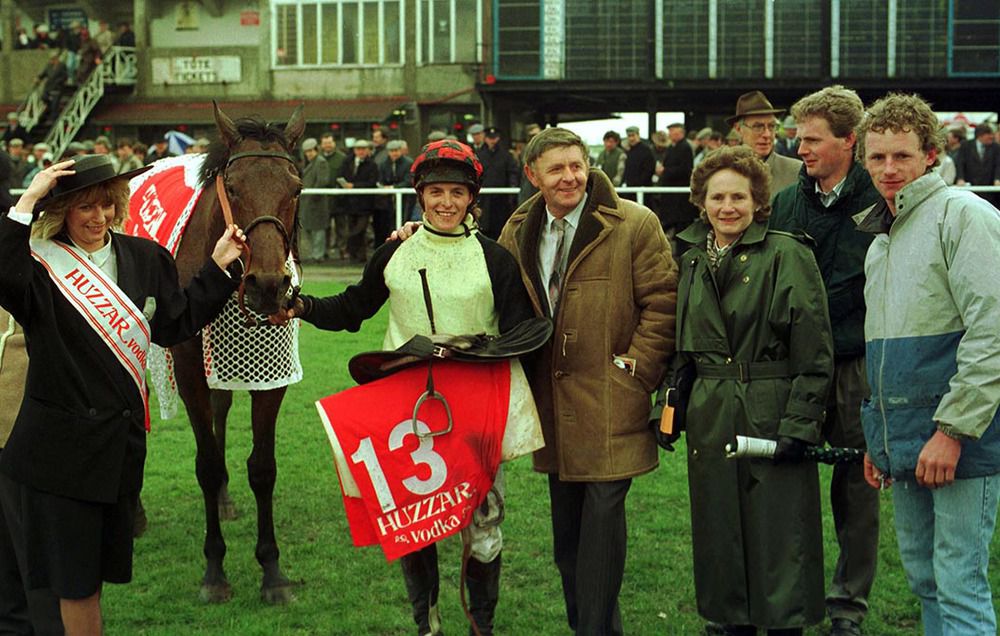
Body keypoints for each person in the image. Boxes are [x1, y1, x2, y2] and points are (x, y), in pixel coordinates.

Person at [275, 139, 540, 635]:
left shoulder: (495, 259)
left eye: (456, 193)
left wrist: (477, 351)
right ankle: (428, 625)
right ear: (419, 195)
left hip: (477, 407)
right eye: (435, 192)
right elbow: (354, 307)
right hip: (404, 410)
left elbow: (522, 329)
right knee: (415, 526)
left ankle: (481, 625)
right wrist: (302, 307)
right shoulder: (394, 252)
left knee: (483, 526)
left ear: (471, 198)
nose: (445, 202)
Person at [0, 154, 244, 634]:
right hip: (57, 450)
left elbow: (175, 322)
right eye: (84, 207)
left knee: (93, 574)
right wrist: (30, 197)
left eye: (105, 205)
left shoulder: (143, 257)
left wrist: (216, 268)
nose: (97, 217)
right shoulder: (38, 264)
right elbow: (4, 274)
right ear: (62, 212)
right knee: (76, 582)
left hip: (119, 448)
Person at [498, 127, 677, 635]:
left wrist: (634, 371)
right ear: (532, 176)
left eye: (577, 165)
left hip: (611, 401)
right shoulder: (518, 229)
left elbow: (663, 302)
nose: (570, 177)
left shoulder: (634, 223)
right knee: (568, 546)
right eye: (556, 169)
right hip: (554, 409)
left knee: (600, 535)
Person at [674, 145, 833, 636]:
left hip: (770, 405)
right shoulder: (693, 258)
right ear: (701, 202)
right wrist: (673, 404)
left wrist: (800, 425)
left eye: (738, 197)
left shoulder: (787, 253)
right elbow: (685, 346)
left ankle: (784, 626)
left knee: (779, 537)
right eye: (717, 197)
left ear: (758, 201)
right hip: (712, 411)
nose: (728, 207)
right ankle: (729, 622)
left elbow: (814, 352)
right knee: (720, 531)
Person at [856, 93, 1000, 636]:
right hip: (908, 438)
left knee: (959, 582)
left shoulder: (964, 215)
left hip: (960, 437)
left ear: (932, 155)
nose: (889, 170)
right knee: (924, 579)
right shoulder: (880, 239)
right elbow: (884, 348)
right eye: (877, 158)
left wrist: (954, 430)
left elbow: (993, 331)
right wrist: (881, 436)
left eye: (902, 156)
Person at [768, 85, 881, 636]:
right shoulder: (786, 202)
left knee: (857, 488)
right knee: (788, 482)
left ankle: (848, 608)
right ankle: (792, 597)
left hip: (857, 366)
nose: (800, 147)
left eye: (811, 139)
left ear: (848, 141)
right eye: (798, 136)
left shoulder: (881, 199)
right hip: (795, 367)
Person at [727, 91, 801, 196]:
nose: (767, 134)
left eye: (771, 126)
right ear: (738, 129)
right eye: (757, 127)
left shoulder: (795, 172)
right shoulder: (722, 169)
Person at [337, 138, 379, 262]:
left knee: (359, 230)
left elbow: (372, 182)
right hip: (349, 204)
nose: (360, 152)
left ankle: (352, 251)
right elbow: (341, 175)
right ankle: (357, 257)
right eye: (358, 149)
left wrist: (354, 186)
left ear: (367, 150)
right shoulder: (347, 162)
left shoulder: (372, 165)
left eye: (363, 149)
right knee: (354, 229)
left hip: (365, 204)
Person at [476, 127, 520, 239]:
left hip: (501, 199)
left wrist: (512, 193)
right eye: (490, 138)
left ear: (498, 138)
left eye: (494, 138)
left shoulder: (506, 155)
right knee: (483, 228)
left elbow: (513, 173)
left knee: (501, 228)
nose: (492, 141)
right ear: (485, 139)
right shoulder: (478, 155)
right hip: (483, 199)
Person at [299, 137, 330, 263]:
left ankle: (318, 255)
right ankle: (315, 254)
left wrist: (312, 195)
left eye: (311, 151)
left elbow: (322, 181)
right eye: (307, 151)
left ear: (316, 150)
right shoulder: (312, 163)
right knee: (312, 230)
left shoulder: (320, 162)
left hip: (316, 202)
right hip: (309, 203)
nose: (309, 154)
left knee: (318, 231)